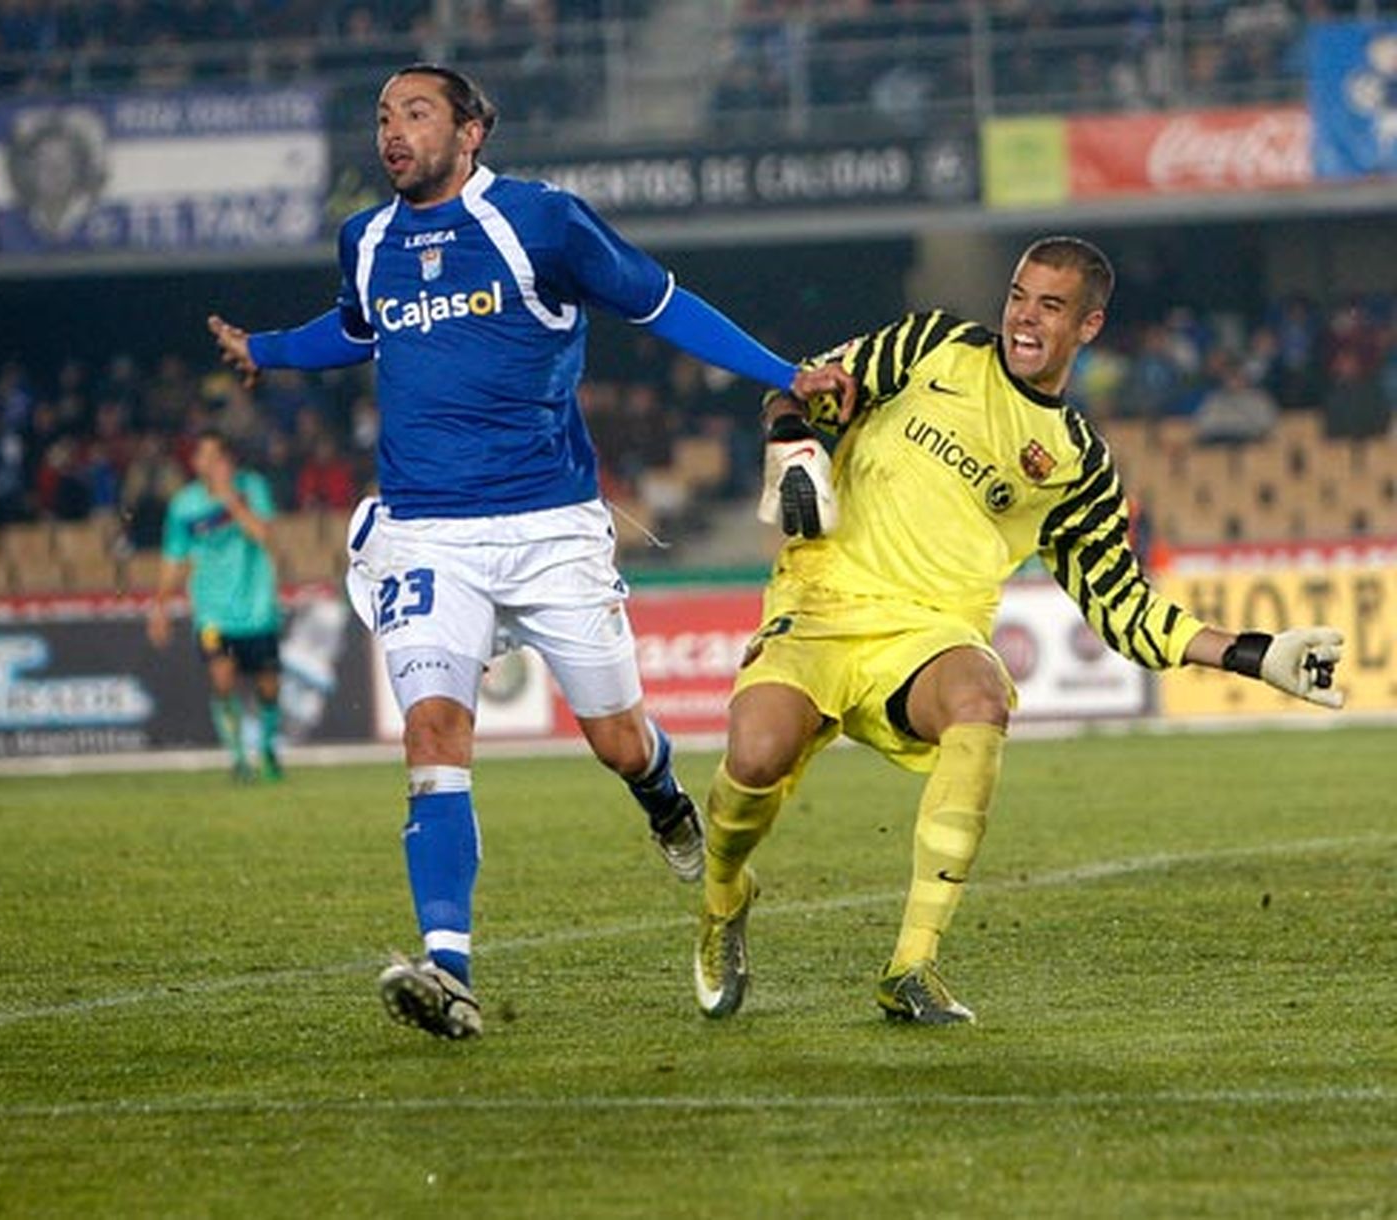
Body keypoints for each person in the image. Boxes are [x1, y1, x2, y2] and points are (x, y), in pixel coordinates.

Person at [206, 63, 846, 1040]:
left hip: (550, 530)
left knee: (617, 737)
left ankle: (663, 798)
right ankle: (449, 967)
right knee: (432, 731)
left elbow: (661, 302)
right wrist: (269, 349)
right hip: (425, 530)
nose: (392, 130)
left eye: (416, 112)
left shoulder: (542, 223)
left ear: (472, 131)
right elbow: (353, 328)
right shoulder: (366, 238)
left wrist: (783, 372)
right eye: (382, 115)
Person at [693, 235, 1345, 1027]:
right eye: (1018, 296)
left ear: (1089, 326)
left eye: (1050, 306)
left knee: (980, 699)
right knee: (755, 760)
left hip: (930, 635)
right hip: (823, 600)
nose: (1025, 318)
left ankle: (912, 966)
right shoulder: (928, 344)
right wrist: (789, 437)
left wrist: (1255, 653)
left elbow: (1124, 606)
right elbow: (798, 385)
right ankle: (725, 896)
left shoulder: (1078, 464)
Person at [148, 428, 286, 784]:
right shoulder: (184, 505)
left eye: (214, 456)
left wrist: (230, 499)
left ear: (227, 460)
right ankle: (239, 760)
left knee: (268, 687)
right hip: (211, 611)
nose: (207, 464)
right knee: (222, 680)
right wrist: (160, 608)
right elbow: (173, 558)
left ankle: (267, 750)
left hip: (256, 608)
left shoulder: (251, 487)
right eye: (202, 457)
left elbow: (264, 535)